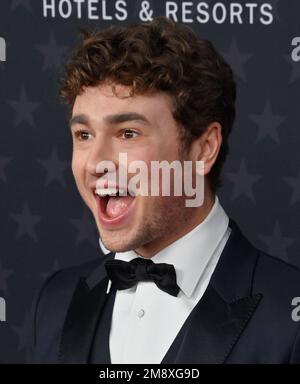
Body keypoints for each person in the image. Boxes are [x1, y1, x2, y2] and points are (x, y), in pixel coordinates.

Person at [30, 16, 300, 364]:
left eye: (128, 133)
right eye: (84, 135)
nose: (96, 162)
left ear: (204, 149)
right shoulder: (55, 301)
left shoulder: (288, 316)